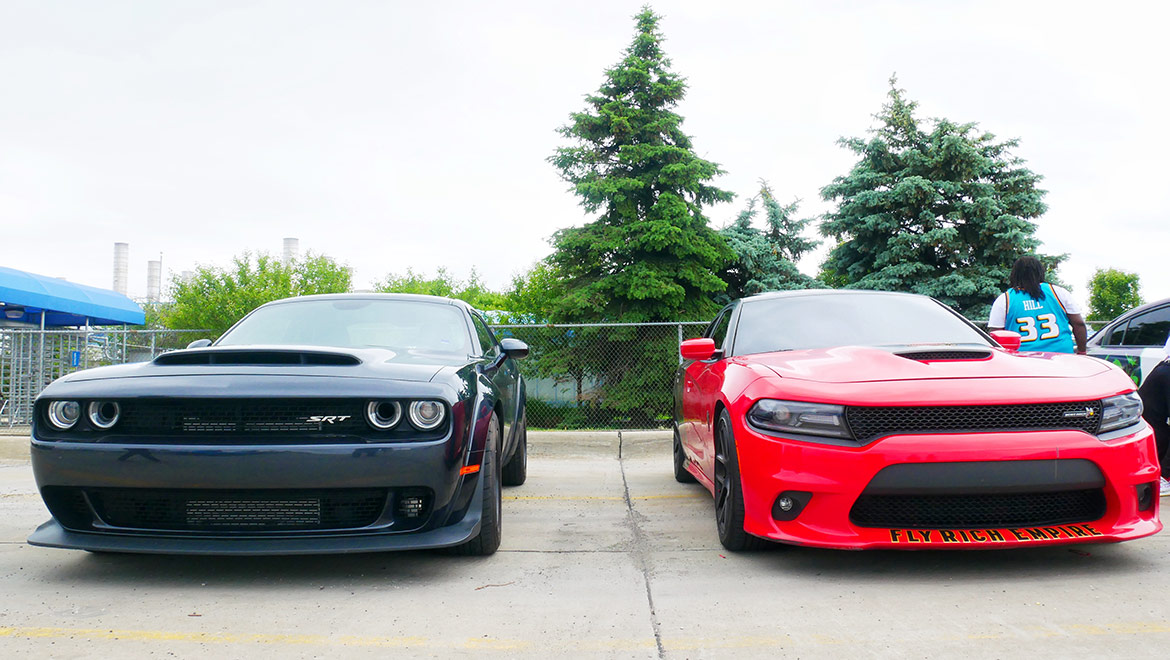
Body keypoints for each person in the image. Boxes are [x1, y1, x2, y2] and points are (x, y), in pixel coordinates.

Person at [988, 256, 1088, 354]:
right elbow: (1078, 324)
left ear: (1015, 274)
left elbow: (996, 335)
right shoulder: (1058, 292)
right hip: (1062, 357)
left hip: (1021, 360)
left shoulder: (1005, 299)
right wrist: (1082, 350)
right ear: (1040, 272)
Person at [1138, 335, 1170, 496]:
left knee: (1150, 422)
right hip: (1165, 371)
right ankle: (1165, 476)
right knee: (1151, 422)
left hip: (1164, 369)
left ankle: (1162, 474)